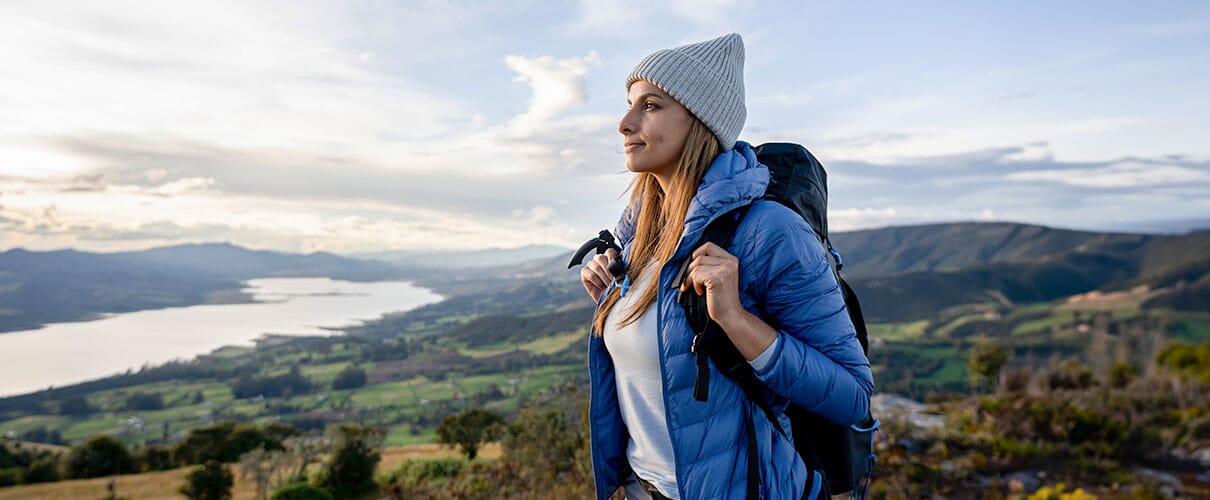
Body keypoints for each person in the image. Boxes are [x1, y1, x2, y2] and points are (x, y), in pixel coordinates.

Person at [579, 33, 874, 499]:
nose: (624, 123)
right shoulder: (639, 234)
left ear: (701, 121)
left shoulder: (769, 231)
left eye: (650, 106)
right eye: (629, 104)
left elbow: (852, 395)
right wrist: (614, 300)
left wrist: (735, 319)